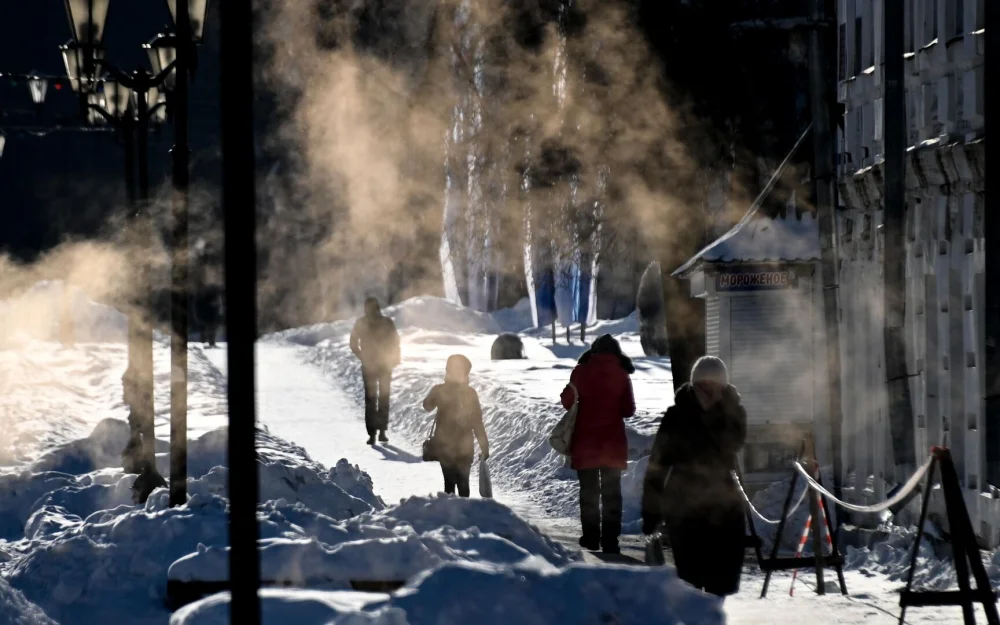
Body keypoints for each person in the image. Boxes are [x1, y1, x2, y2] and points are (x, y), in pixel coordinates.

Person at [641, 356, 747, 598]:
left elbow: (732, 443)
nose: (708, 390)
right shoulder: (676, 416)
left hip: (723, 504)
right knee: (690, 579)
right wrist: (650, 511)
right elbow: (658, 465)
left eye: (714, 385)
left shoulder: (733, 414)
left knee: (721, 579)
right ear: (693, 384)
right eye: (703, 385)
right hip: (683, 504)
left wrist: (714, 413)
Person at [560, 334, 636, 554]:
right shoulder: (622, 374)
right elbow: (628, 410)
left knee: (589, 493)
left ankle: (591, 538)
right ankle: (610, 541)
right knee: (612, 495)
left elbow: (567, 402)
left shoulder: (581, 371)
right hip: (613, 445)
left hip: (586, 444)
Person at [422, 354, 489, 497]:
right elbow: (477, 422)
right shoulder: (470, 393)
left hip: (446, 445)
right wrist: (484, 446)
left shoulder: (441, 390)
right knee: (463, 484)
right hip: (462, 446)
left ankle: (452, 509)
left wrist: (435, 394)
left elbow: (427, 406)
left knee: (450, 484)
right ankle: (463, 509)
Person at [350, 297, 401, 445]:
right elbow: (396, 342)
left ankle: (373, 433)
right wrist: (394, 358)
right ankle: (381, 432)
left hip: (373, 365)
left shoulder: (363, 322)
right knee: (382, 397)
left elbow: (353, 343)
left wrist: (362, 356)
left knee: (371, 399)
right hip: (382, 365)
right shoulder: (386, 322)